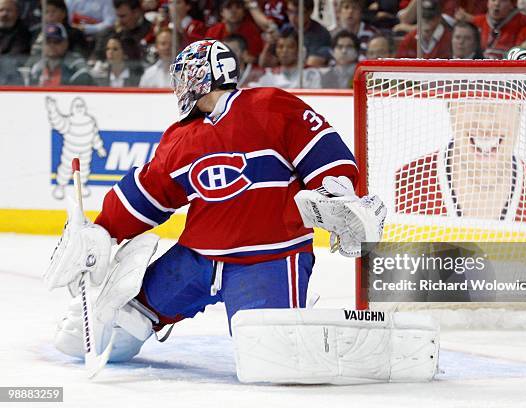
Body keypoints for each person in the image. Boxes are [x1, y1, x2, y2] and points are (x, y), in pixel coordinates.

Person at [49, 39, 385, 364]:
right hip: (196, 258)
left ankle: (311, 326)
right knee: (115, 324)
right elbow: (149, 193)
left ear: (198, 76)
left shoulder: (271, 105)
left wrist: (338, 193)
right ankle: (129, 317)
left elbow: (325, 155)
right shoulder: (180, 137)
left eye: (182, 75)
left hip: (268, 259)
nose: (178, 85)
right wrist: (101, 230)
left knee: (269, 355)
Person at [395, 91, 526, 223]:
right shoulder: (403, 185)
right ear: (450, 106)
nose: (486, 119)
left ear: (520, 108)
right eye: (471, 97)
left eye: (501, 98)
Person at [250, 27, 321, 88]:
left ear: (298, 50)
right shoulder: (270, 75)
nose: (284, 51)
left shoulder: (310, 74)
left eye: (290, 47)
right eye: (280, 47)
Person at [29, 23, 94, 86]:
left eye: (56, 41)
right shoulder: (36, 64)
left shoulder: (76, 63)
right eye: (48, 41)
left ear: (66, 43)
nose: (52, 45)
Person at [285, 0, 332, 67]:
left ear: (310, 12)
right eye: (290, 12)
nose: (292, 17)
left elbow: (311, 64)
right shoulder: (287, 29)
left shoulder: (321, 34)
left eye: (298, 12)